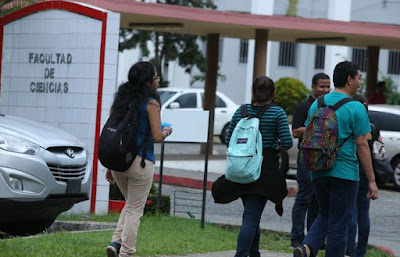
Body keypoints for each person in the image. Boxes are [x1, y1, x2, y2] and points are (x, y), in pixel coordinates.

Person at [293, 61, 379, 257]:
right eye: (358, 78)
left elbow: (308, 132)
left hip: (318, 170)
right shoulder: (356, 108)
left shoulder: (318, 103)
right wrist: (372, 180)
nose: (360, 82)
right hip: (345, 173)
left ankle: (307, 247)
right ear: (349, 80)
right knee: (340, 222)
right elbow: (362, 145)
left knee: (325, 213)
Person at [105, 61, 173, 257]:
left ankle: (115, 243)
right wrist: (167, 130)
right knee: (135, 209)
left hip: (118, 161)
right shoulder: (151, 104)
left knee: (131, 204)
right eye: (156, 77)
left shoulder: (120, 102)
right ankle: (127, 252)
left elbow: (113, 133)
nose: (158, 81)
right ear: (147, 82)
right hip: (141, 161)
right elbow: (157, 137)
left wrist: (110, 166)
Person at [225, 76, 293, 257]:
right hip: (264, 169)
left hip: (241, 169)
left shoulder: (242, 111)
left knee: (251, 214)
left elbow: (228, 139)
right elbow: (287, 142)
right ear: (274, 93)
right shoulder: (277, 113)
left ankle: (254, 253)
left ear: (253, 92)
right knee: (251, 216)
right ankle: (241, 254)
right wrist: (272, 150)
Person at [290, 73, 331, 248]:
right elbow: (295, 131)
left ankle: (314, 238)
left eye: (328, 86)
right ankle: (297, 236)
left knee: (318, 200)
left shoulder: (329, 107)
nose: (325, 90)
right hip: (305, 158)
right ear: (313, 86)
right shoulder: (304, 106)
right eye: (322, 86)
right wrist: (314, 127)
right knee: (304, 198)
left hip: (323, 159)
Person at [346, 95, 382, 257]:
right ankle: (361, 250)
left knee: (351, 213)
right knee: (363, 214)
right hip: (368, 174)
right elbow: (380, 152)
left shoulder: (351, 127)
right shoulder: (373, 128)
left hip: (352, 172)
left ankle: (350, 249)